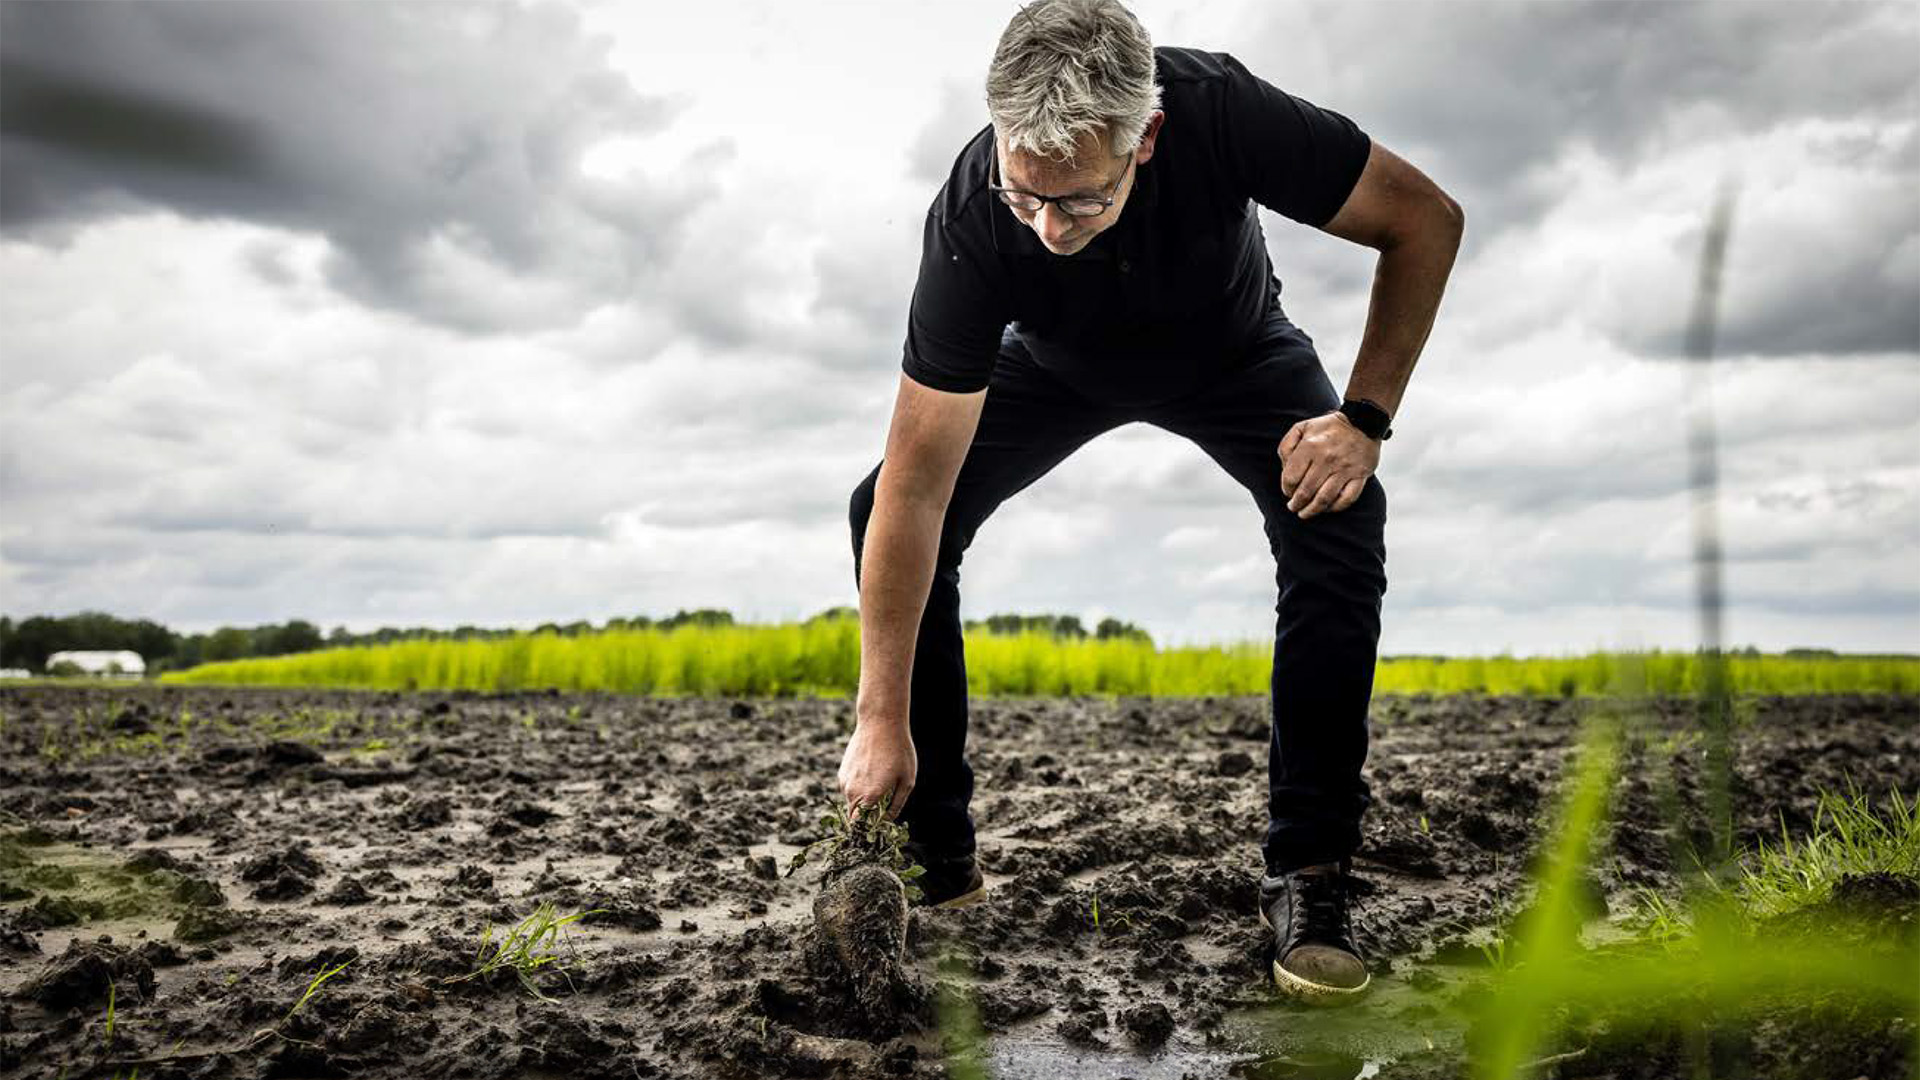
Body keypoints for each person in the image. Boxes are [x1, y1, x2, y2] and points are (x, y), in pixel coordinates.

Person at [841, 0, 1462, 1002]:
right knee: (882, 507)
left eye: (1079, 202)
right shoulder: (970, 222)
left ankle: (1310, 878)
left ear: (1149, 138)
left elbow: (1425, 220)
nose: (1048, 232)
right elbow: (914, 489)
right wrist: (879, 721)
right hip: (1056, 370)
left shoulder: (1224, 112)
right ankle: (940, 860)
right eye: (1024, 196)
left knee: (1339, 515)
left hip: (1236, 355)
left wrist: (1365, 418)